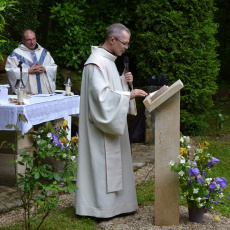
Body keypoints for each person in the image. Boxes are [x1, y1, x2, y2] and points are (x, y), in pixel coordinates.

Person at [74, 23, 148, 218]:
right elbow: (100, 98)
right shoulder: (95, 63)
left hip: (111, 126)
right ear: (112, 39)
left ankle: (119, 205)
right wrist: (128, 95)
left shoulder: (107, 61)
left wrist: (123, 82)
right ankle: (100, 207)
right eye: (124, 43)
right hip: (100, 129)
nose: (126, 48)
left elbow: (109, 90)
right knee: (102, 165)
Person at [5, 29, 57, 94]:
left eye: (34, 39)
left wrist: (45, 69)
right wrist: (27, 71)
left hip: (45, 93)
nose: (32, 42)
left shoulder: (44, 52)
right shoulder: (16, 54)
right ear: (23, 40)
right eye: (29, 40)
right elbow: (10, 71)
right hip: (26, 93)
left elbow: (53, 67)